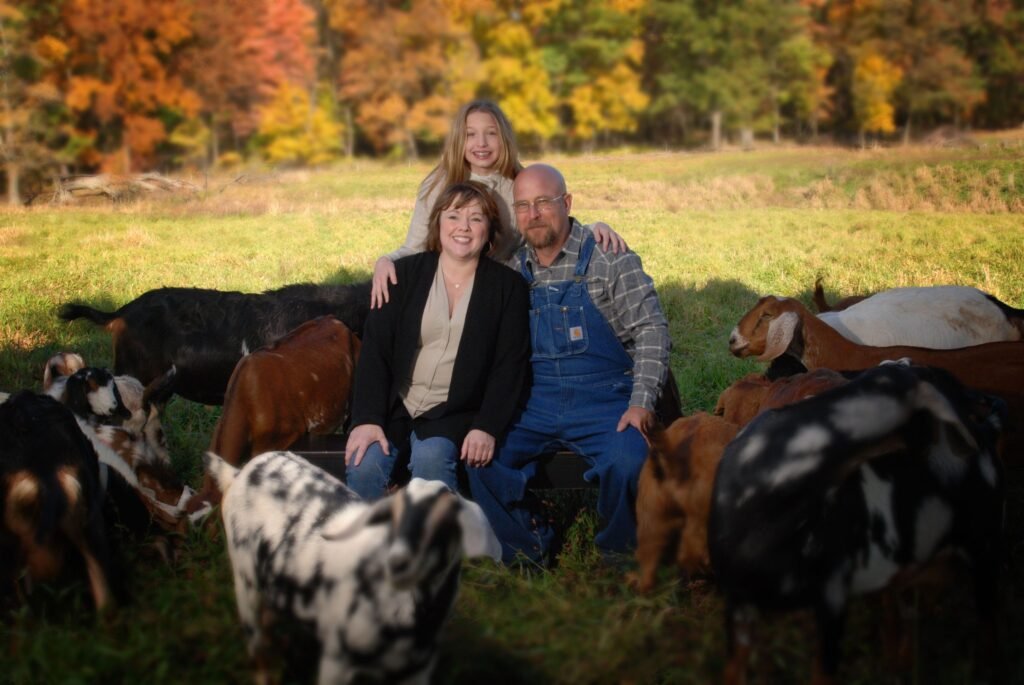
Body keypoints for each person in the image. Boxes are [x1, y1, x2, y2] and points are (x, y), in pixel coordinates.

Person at [467, 163, 671, 565]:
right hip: (534, 400)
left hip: (605, 398)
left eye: (544, 202)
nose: (534, 214)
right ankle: (528, 542)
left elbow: (652, 330)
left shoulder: (609, 258)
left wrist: (641, 402)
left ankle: (619, 551)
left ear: (568, 202)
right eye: (523, 206)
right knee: (479, 458)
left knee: (630, 460)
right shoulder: (512, 270)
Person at [345, 181, 530, 498]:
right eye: (454, 216)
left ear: (489, 229)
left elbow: (509, 366)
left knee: (432, 461)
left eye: (476, 218)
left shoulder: (507, 287)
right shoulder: (402, 275)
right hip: (395, 407)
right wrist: (367, 418)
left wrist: (487, 425)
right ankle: (368, 546)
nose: (464, 227)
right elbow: (375, 351)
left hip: (454, 412)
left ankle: (435, 546)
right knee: (364, 467)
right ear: (438, 224)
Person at [370, 99, 626, 309]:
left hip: (502, 289)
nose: (481, 143)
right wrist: (386, 260)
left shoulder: (519, 183)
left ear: (503, 138)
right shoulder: (437, 185)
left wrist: (592, 228)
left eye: (491, 134)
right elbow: (414, 247)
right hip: (446, 288)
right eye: (471, 135)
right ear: (459, 139)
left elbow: (548, 229)